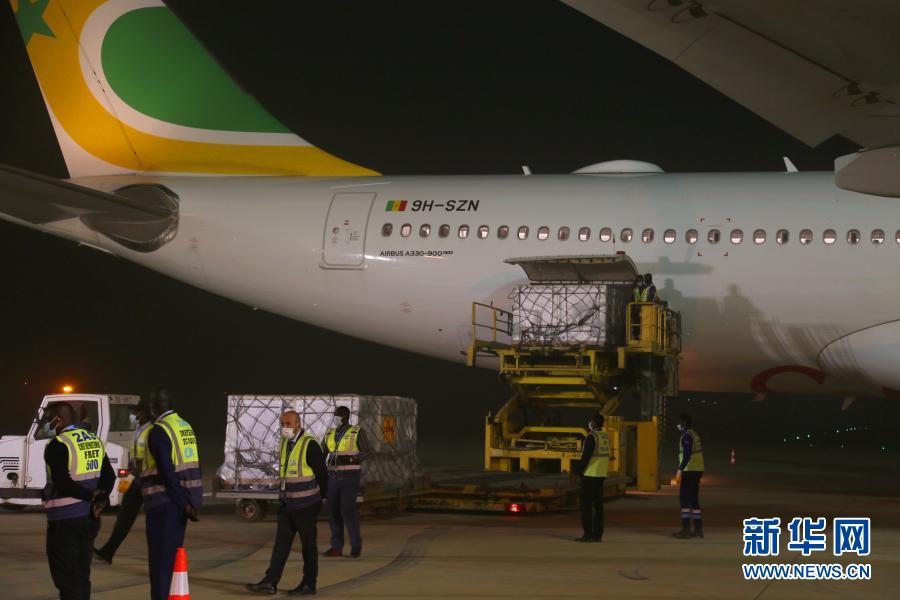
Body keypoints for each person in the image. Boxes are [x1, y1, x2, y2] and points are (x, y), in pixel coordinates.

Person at [246, 410, 328, 596]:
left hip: (306, 506)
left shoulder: (309, 444)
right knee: (280, 546)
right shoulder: (285, 442)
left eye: (288, 424)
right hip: (288, 505)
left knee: (308, 547)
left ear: (298, 424)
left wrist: (320, 500)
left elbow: (322, 475)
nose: (285, 427)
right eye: (282, 424)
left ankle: (309, 584)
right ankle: (270, 581)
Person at [41, 401, 115, 599]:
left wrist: (91, 496)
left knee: (66, 578)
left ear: (59, 420)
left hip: (65, 520)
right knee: (82, 574)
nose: (47, 424)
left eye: (49, 420)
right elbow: (109, 476)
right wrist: (100, 499)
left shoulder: (58, 444)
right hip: (90, 518)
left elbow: (62, 483)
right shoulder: (93, 440)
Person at [141, 388, 202, 600]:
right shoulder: (184, 426)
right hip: (183, 502)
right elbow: (195, 464)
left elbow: (167, 472)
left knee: (160, 564)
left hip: (163, 503)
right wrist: (192, 502)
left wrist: (183, 503)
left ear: (154, 407)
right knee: (171, 561)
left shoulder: (158, 431)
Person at [94, 399, 152, 564]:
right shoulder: (139, 430)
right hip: (137, 479)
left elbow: (143, 461)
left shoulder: (150, 431)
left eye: (134, 413)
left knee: (151, 522)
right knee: (124, 519)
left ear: (142, 414)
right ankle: (108, 551)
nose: (132, 416)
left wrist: (130, 477)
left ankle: (159, 557)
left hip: (146, 480)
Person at [322, 406, 368, 558]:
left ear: (346, 417)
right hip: (332, 477)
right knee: (333, 512)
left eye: (338, 415)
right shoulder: (329, 433)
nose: (335, 418)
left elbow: (367, 451)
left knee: (347, 510)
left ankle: (355, 545)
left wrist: (353, 458)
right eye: (335, 415)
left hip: (350, 476)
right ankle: (336, 547)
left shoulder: (357, 432)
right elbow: (322, 453)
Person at [572, 413, 609, 543]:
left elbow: (585, 458)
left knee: (586, 507)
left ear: (593, 423)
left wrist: (576, 472)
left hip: (590, 476)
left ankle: (588, 534)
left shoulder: (591, 437)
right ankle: (598, 535)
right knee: (598, 507)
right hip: (601, 475)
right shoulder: (604, 436)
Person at [672, 413, 704, 539]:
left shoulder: (687, 436)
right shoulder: (694, 434)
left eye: (680, 423)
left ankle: (686, 529)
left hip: (690, 470)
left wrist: (680, 470)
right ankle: (698, 529)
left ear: (684, 424)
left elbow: (686, 454)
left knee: (684, 499)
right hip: (697, 470)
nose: (678, 425)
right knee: (694, 500)